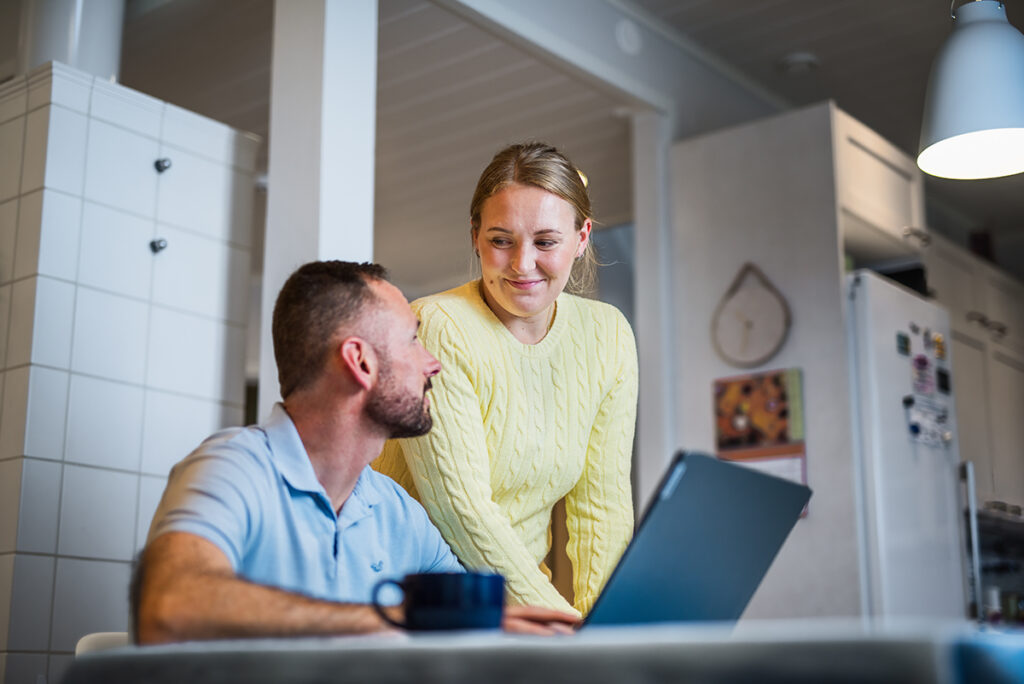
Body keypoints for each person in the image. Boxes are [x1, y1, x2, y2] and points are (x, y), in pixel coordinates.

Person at [133, 261, 576, 644]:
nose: (432, 363)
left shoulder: (396, 511)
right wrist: (397, 619)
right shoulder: (232, 466)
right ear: (361, 362)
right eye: (412, 340)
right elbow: (169, 609)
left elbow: (469, 627)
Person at [374, 142, 639, 617]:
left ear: (582, 238)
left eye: (546, 242)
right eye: (501, 240)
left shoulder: (608, 334)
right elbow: (462, 510)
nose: (522, 263)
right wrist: (563, 626)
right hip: (414, 599)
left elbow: (603, 508)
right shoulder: (438, 325)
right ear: (475, 236)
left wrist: (607, 629)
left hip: (516, 609)